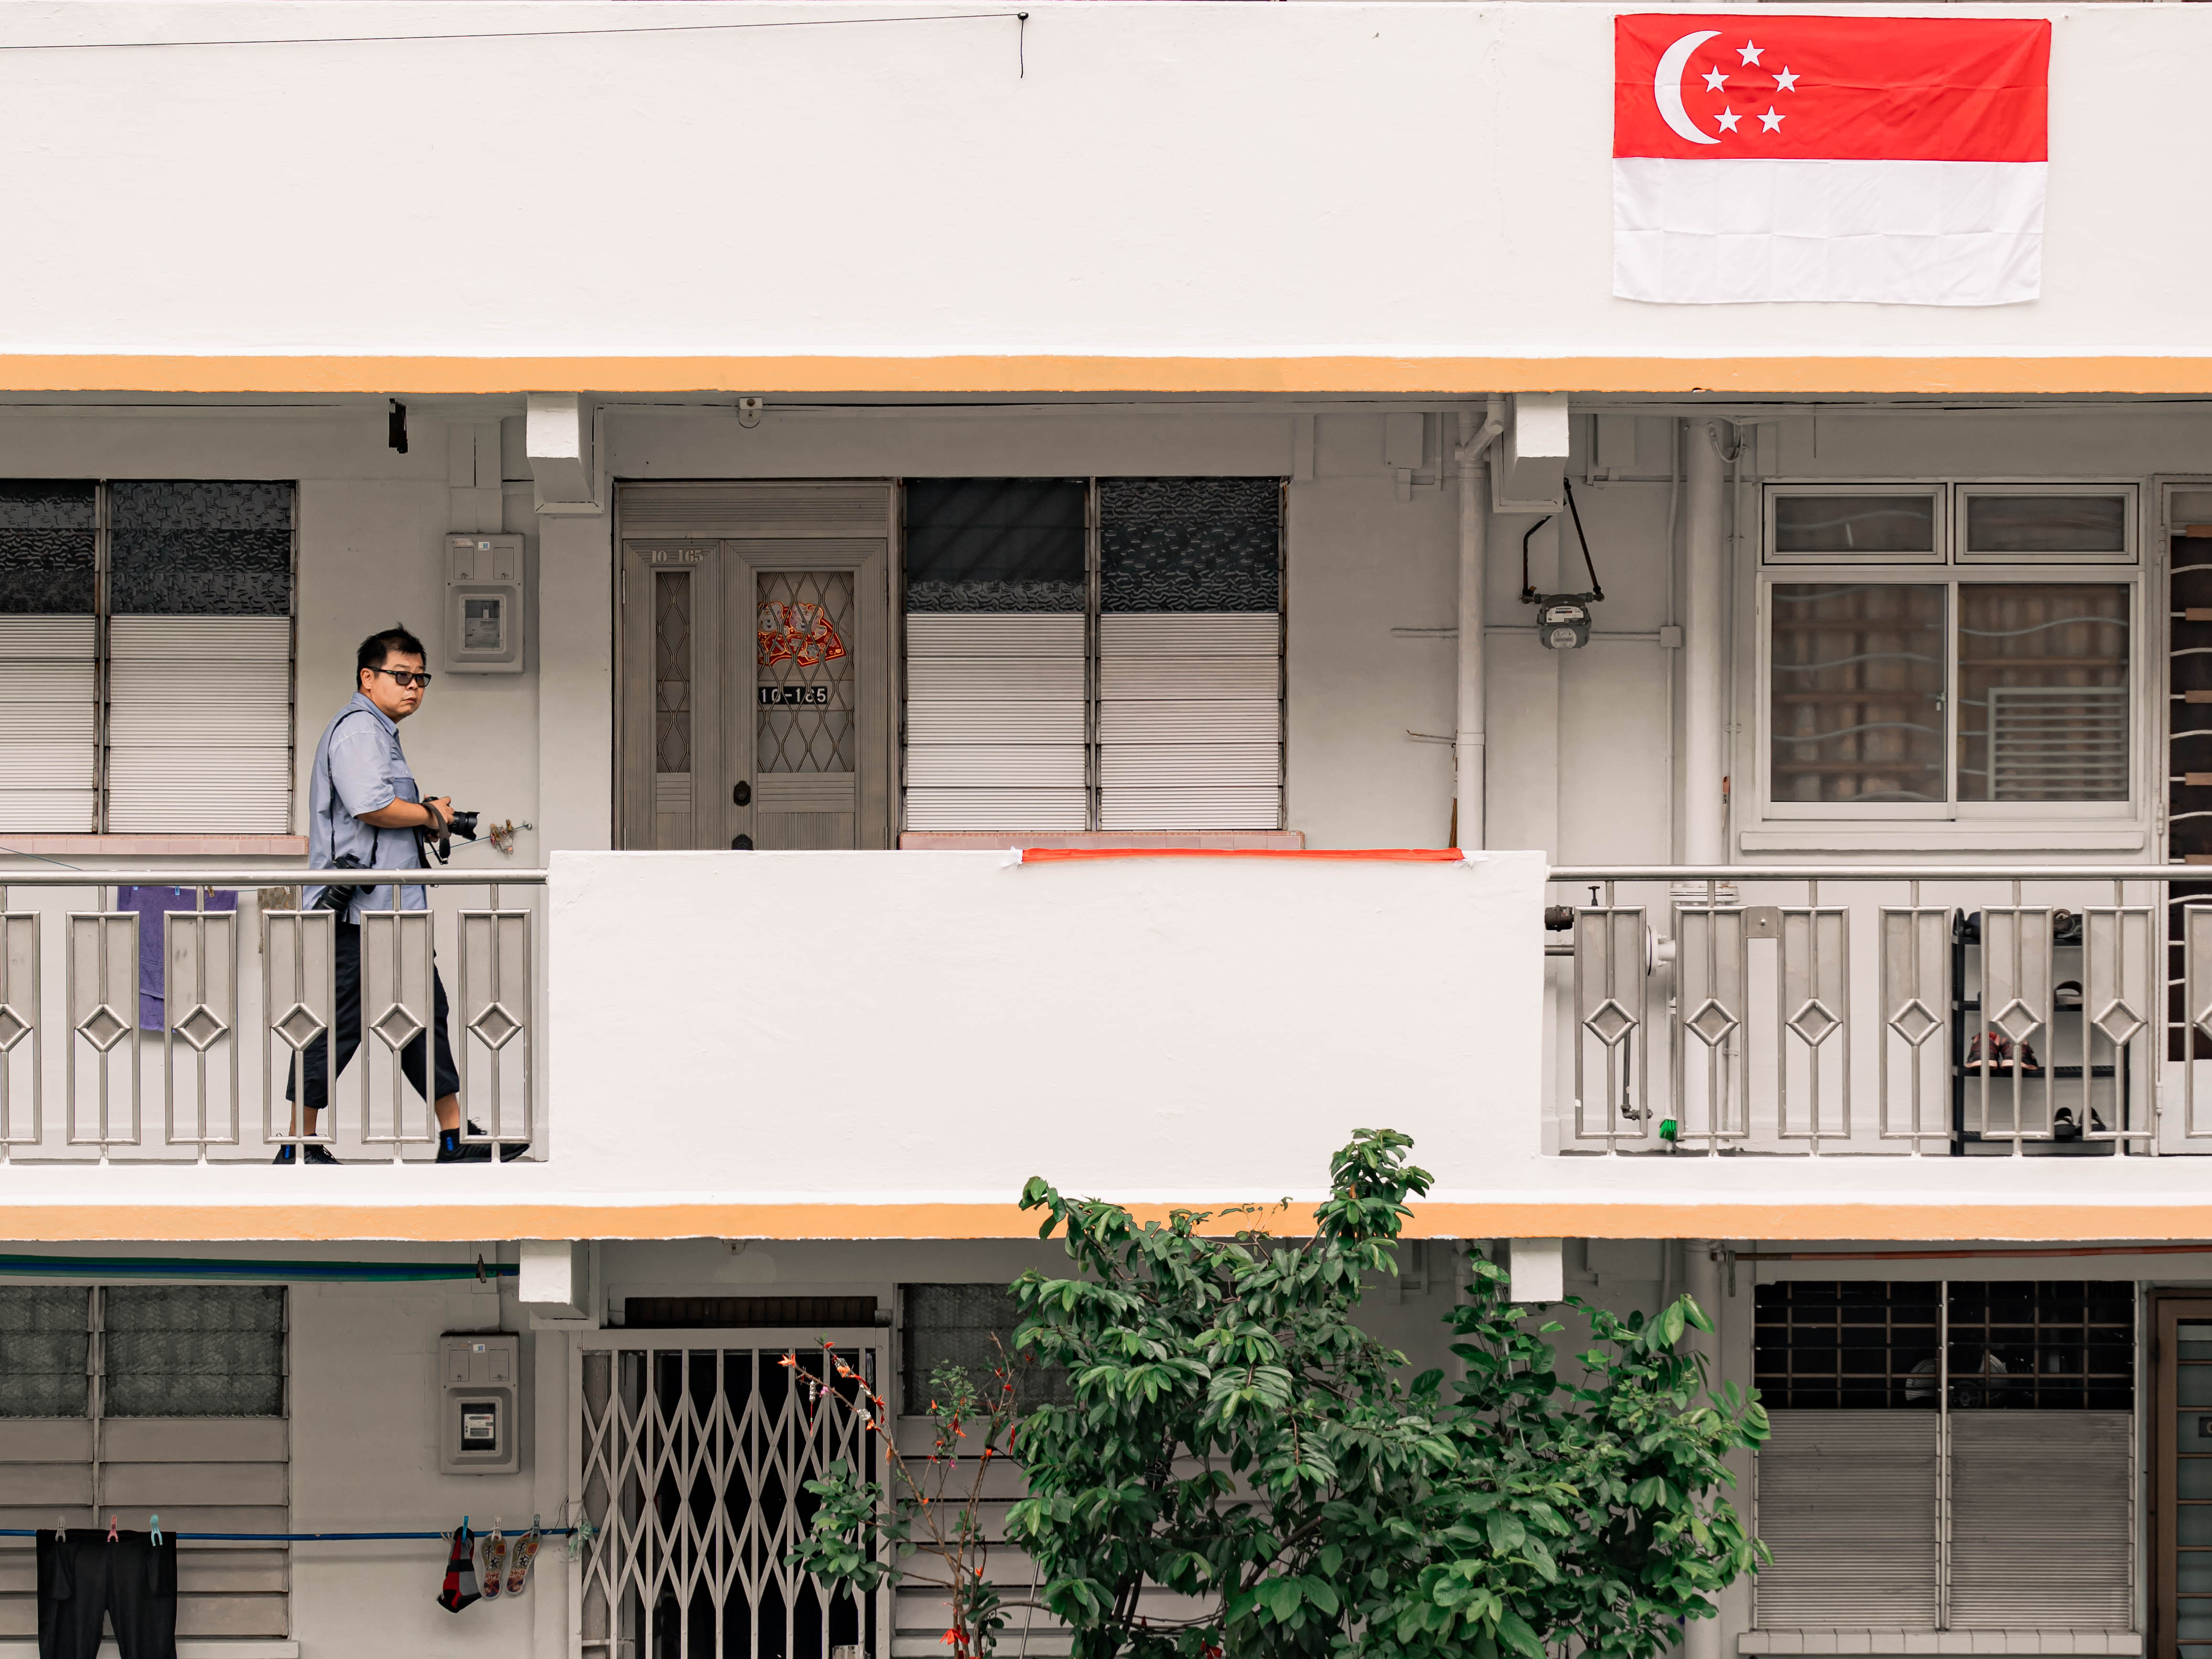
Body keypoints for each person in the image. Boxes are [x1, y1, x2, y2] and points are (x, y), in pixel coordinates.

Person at [283, 625, 523, 1165]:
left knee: (421, 1020)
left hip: (388, 912)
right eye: (401, 676)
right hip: (359, 913)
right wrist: (432, 813)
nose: (413, 686)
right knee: (334, 1026)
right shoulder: (359, 732)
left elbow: (376, 815)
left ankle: (454, 1137)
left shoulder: (376, 732)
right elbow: (371, 805)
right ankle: (298, 1146)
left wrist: (426, 817)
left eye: (420, 678)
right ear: (368, 679)